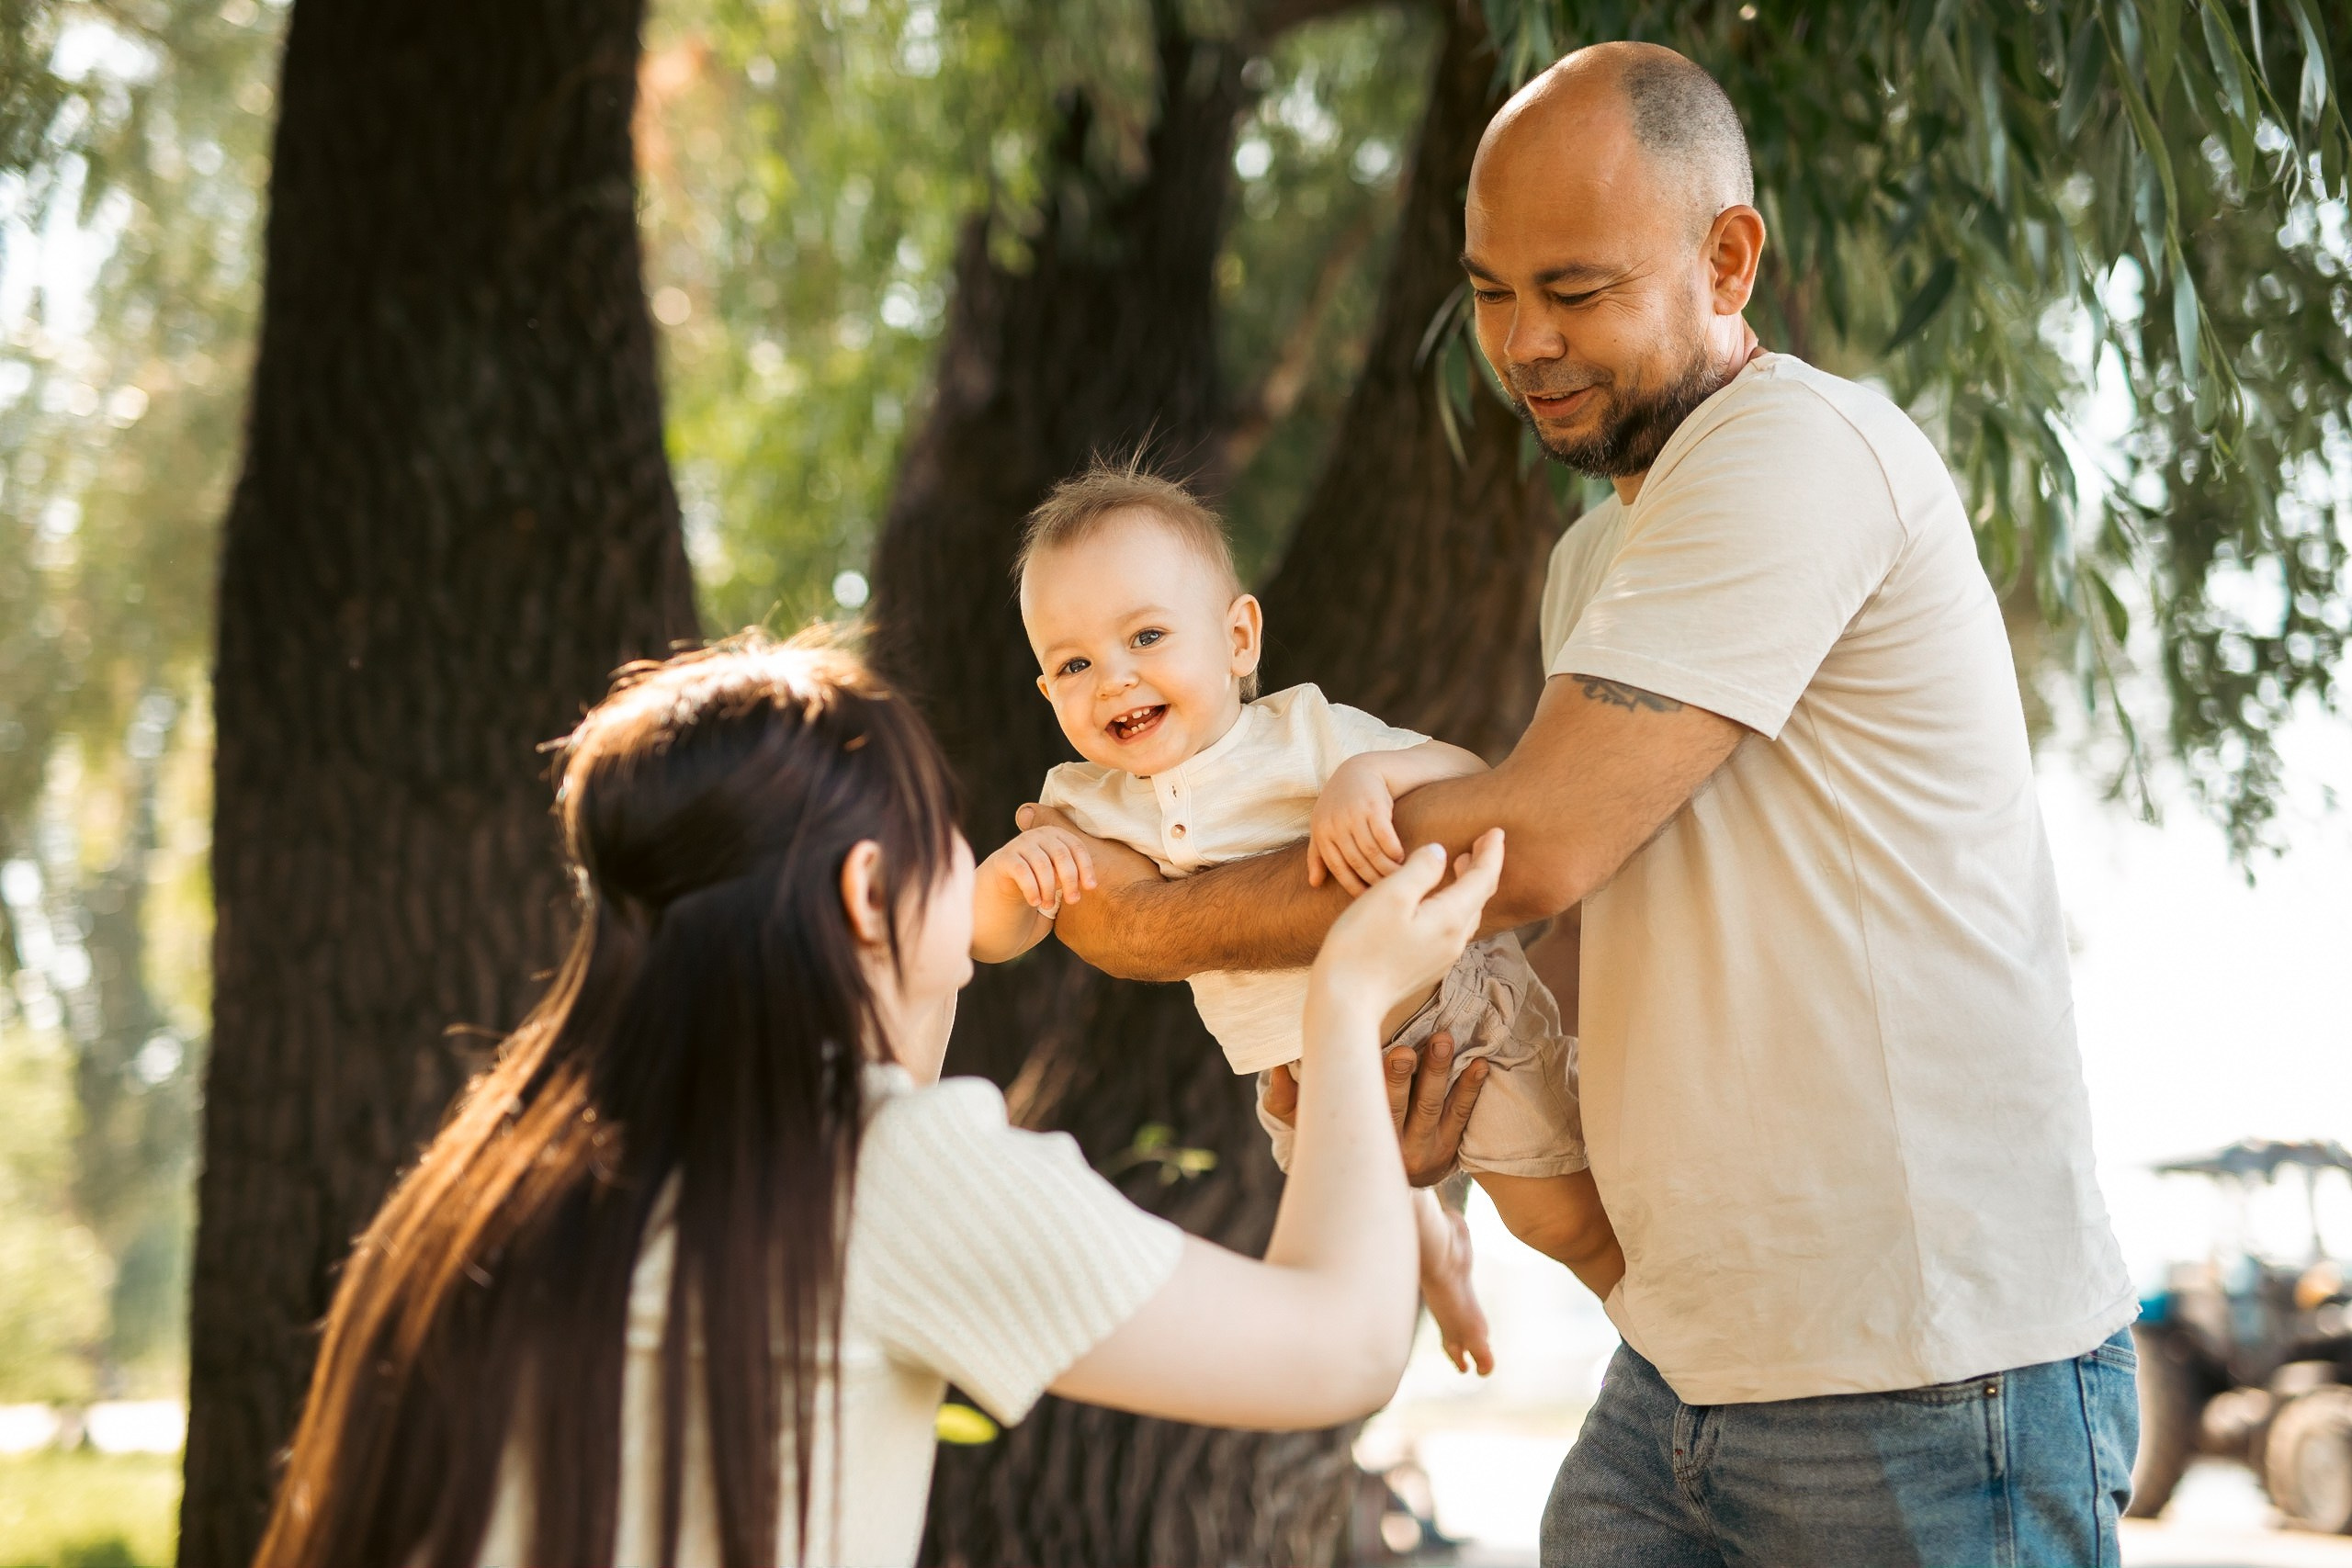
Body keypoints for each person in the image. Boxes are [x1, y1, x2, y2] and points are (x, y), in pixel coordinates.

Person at [1027, 39, 2139, 1568]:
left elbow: (1528, 843)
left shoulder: (1792, 453)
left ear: (1727, 257)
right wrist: (1425, 1077)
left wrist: (1144, 922)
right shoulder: (1591, 564)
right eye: (1490, 292)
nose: (1523, 339)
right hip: (1686, 1367)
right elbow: (1579, 925)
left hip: (1921, 1373)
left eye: (1576, 287)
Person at [253, 636, 1498, 1568]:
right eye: (942, 835)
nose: (972, 862)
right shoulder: (880, 1171)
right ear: (865, 891)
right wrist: (1343, 1000)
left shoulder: (509, 1167)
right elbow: (1333, 1350)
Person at [968, 459, 1619, 1372]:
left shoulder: (1306, 735)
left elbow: (1472, 778)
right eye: (1073, 663)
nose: (1113, 678)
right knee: (1376, 1242)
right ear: (1048, 693)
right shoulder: (1082, 803)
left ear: (1237, 638)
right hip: (1304, 1078)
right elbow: (996, 939)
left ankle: (1666, 1337)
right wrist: (1011, 878)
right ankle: (1441, 1261)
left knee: (1555, 1215)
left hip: (1451, 1008)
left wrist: (1373, 774)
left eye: (1146, 636)